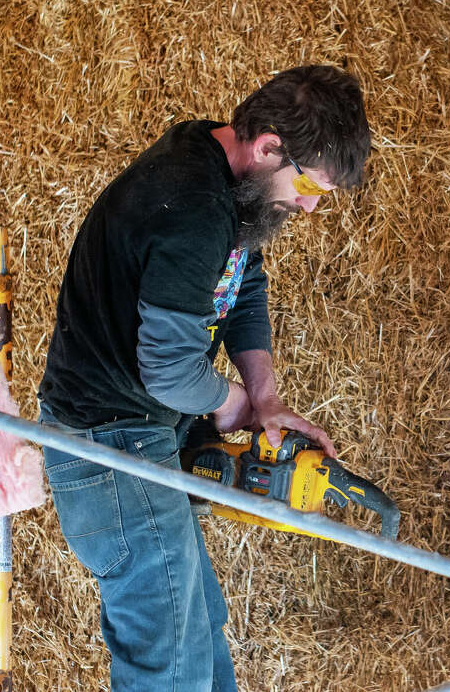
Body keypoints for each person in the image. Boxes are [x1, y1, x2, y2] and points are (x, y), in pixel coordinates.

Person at [37, 65, 371, 691]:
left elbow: (243, 285)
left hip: (141, 439)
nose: (307, 204)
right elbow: (167, 369)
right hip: (108, 444)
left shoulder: (226, 185)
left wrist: (265, 399)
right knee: (168, 665)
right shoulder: (193, 203)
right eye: (309, 186)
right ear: (269, 144)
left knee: (199, 635)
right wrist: (230, 400)